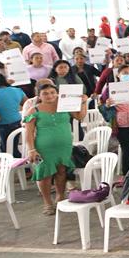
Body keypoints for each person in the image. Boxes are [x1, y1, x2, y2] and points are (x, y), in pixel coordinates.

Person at [23, 80, 88, 215]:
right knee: (44, 174)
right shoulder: (33, 110)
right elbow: (28, 133)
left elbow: (79, 116)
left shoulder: (64, 106)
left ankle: (60, 197)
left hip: (64, 146)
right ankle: (47, 202)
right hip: (44, 148)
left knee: (62, 171)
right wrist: (31, 149)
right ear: (39, 96)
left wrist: (83, 102)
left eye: (52, 92)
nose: (50, 96)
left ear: (57, 93)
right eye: (45, 93)